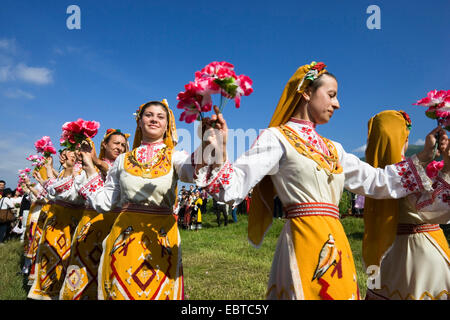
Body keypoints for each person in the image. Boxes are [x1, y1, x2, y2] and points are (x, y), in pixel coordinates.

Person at [196, 61, 446, 300]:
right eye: (331, 94)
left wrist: (424, 155)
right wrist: (217, 150)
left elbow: (377, 181)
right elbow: (231, 187)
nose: (337, 104)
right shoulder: (276, 138)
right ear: (306, 92)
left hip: (337, 243)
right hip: (301, 238)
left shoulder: (333, 148)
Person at [79, 99, 197, 300]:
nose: (154, 119)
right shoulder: (122, 161)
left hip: (162, 240)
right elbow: (105, 201)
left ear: (167, 125)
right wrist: (90, 167)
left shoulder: (175, 157)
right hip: (124, 240)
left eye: (161, 117)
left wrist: (211, 143)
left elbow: (193, 172)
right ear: (139, 122)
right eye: (148, 115)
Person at [362, 110, 450, 300]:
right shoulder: (406, 174)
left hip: (389, 253)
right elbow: (438, 208)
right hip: (421, 253)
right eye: (406, 136)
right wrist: (448, 167)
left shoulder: (375, 173)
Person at [59, 129, 129, 300]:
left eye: (123, 145)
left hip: (115, 227)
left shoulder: (125, 169)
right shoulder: (86, 168)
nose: (119, 148)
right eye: (116, 143)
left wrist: (95, 161)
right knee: (83, 273)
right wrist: (70, 169)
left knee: (111, 275)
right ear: (104, 144)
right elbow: (72, 196)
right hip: (89, 227)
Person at [28, 149, 85, 300]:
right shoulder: (65, 172)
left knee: (68, 259)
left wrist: (49, 170)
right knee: (51, 256)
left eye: (72, 153)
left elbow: (59, 192)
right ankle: (48, 291)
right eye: (66, 153)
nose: (68, 156)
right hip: (56, 220)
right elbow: (52, 190)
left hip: (71, 221)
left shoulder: (81, 171)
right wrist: (47, 169)